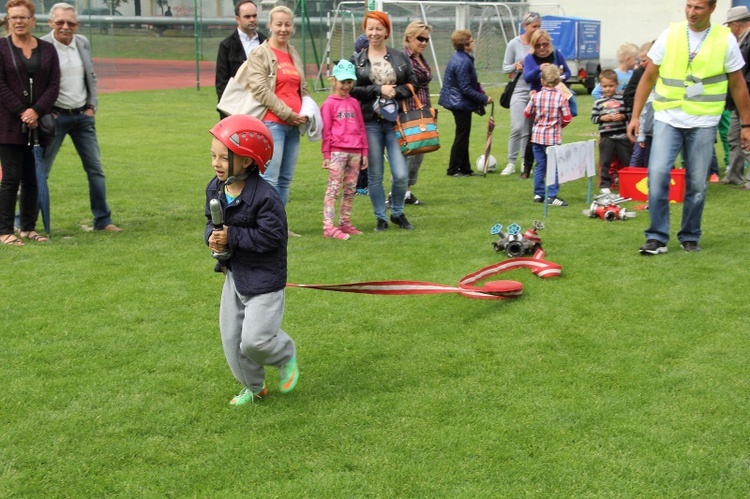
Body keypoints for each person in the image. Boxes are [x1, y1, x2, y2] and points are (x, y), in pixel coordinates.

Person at [627, 0, 750, 255]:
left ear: (712, 9)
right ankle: (657, 237)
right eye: (689, 6)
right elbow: (649, 76)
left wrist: (747, 124)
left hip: (704, 121)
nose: (692, 12)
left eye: (699, 8)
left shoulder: (724, 39)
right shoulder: (670, 33)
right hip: (667, 117)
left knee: (697, 183)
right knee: (658, 174)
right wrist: (635, 116)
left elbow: (738, 85)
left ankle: (690, 236)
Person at [205, 114, 298, 406]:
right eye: (213, 156)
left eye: (223, 158)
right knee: (232, 340)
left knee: (254, 341)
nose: (215, 164)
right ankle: (255, 387)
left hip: (265, 280)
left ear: (247, 160)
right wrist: (212, 236)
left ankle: (285, 356)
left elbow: (271, 238)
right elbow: (211, 222)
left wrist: (231, 236)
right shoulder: (215, 189)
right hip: (235, 276)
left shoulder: (266, 197)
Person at [40, 2, 122, 233]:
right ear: (50, 22)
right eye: (60, 22)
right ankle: (22, 220)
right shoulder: (43, 46)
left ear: (76, 24)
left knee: (95, 170)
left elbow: (91, 76)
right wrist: (47, 111)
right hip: (54, 119)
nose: (65, 27)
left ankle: (103, 220)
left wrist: (91, 106)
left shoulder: (82, 43)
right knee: (41, 171)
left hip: (82, 117)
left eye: (71, 23)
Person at [242, 5, 308, 235]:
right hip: (272, 123)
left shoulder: (293, 53)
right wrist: (287, 112)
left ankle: (278, 225)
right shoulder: (260, 53)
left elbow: (302, 87)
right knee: (268, 178)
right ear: (270, 25)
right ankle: (262, 225)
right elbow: (260, 89)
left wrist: (307, 110)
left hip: (293, 126)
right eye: (278, 24)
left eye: (287, 24)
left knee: (286, 179)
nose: (283, 29)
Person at [350, 11, 417, 231]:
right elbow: (352, 90)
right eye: (370, 28)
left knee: (400, 174)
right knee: (375, 175)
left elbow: (412, 84)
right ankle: (381, 217)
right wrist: (378, 89)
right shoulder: (358, 60)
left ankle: (397, 212)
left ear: (386, 31)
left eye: (378, 28)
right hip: (370, 122)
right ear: (365, 30)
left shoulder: (399, 57)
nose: (374, 33)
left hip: (395, 122)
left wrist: (394, 91)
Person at [0, 0, 60, 246]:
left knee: (33, 178)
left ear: (33, 20)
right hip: (8, 124)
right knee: (11, 177)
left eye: (23, 17)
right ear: (8, 20)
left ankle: (27, 227)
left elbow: (54, 84)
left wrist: (36, 111)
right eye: (14, 17)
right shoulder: (1, 48)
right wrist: (22, 112)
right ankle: (4, 230)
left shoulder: (47, 49)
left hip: (38, 125)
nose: (18, 21)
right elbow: (0, 85)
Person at [320, 60, 368, 240]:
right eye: (343, 82)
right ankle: (328, 226)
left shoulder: (355, 103)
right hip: (337, 152)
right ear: (334, 81)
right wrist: (326, 154)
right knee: (333, 189)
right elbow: (327, 131)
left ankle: (345, 222)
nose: (346, 86)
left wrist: (364, 152)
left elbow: (361, 127)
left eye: (349, 82)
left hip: (355, 151)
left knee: (350, 189)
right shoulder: (329, 104)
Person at [438, 29, 492, 178]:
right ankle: (454, 169)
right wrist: (484, 99)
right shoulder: (463, 61)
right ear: (466, 44)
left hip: (458, 101)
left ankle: (465, 168)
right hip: (459, 103)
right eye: (471, 40)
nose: (473, 42)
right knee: (461, 135)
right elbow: (465, 88)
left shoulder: (461, 58)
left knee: (464, 134)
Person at [521, 29, 571, 179]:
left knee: (552, 132)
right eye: (538, 45)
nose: (542, 48)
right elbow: (527, 77)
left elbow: (567, 72)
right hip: (537, 96)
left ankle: (550, 166)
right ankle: (527, 167)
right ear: (533, 45)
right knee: (533, 133)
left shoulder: (556, 55)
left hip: (556, 96)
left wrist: (559, 77)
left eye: (545, 44)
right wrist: (539, 68)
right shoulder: (530, 58)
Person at [524, 65, 572, 207]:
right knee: (554, 167)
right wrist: (559, 125)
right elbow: (568, 117)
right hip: (553, 137)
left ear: (542, 81)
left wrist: (531, 98)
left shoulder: (536, 97)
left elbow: (527, 114)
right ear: (558, 82)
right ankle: (552, 196)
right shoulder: (561, 98)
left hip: (537, 136)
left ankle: (539, 194)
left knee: (540, 165)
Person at [500, 11, 541, 176]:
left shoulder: (539, 43)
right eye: (534, 26)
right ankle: (511, 162)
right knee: (517, 126)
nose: (537, 29)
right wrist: (515, 65)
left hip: (535, 89)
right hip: (519, 89)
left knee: (528, 129)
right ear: (525, 26)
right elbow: (504, 67)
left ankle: (525, 161)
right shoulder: (514, 44)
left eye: (539, 26)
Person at [400, 20, 433, 205]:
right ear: (409, 37)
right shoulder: (403, 58)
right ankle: (396, 192)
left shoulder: (420, 58)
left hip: (423, 109)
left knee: (419, 152)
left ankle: (407, 191)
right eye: (420, 38)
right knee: (408, 153)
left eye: (426, 39)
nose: (424, 43)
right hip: (409, 110)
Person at [215, 0, 266, 112]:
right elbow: (221, 82)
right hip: (237, 106)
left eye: (254, 16)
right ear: (237, 19)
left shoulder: (266, 42)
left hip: (262, 105)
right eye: (247, 17)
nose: (252, 19)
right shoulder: (226, 46)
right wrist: (228, 109)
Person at [590, 69, 632, 194]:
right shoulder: (598, 102)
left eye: (611, 86)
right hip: (606, 136)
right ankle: (605, 185)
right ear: (600, 86)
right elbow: (594, 118)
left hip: (622, 135)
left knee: (627, 160)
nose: (608, 89)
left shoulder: (622, 99)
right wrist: (603, 118)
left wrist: (623, 117)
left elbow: (629, 114)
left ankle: (628, 182)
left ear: (616, 85)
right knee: (605, 161)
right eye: (604, 86)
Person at [723, 6, 750, 186]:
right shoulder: (742, 40)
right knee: (734, 137)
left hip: (746, 98)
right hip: (737, 100)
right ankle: (733, 175)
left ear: (735, 25)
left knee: (747, 138)